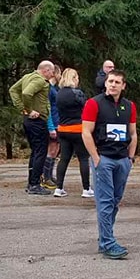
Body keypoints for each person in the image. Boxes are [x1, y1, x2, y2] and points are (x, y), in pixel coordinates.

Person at [81, 70, 137, 259]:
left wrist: (130, 158)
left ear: (123, 85)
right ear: (105, 83)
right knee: (105, 202)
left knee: (114, 201)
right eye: (110, 81)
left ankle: (105, 238)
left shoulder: (129, 106)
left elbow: (133, 133)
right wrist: (96, 159)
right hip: (103, 158)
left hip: (122, 159)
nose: (113, 84)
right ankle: (107, 243)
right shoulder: (93, 103)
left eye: (117, 82)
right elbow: (86, 132)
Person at [9, 60, 57, 195]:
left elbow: (13, 90)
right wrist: (28, 110)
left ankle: (32, 182)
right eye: (52, 72)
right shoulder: (40, 81)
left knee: (35, 151)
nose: (52, 75)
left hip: (29, 121)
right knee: (41, 152)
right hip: (37, 121)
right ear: (46, 70)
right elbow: (26, 93)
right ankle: (35, 184)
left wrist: (23, 110)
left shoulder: (27, 77)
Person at [53, 69, 92, 197]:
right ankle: (86, 189)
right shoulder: (77, 93)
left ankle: (59, 187)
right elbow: (85, 108)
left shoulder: (58, 94)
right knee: (83, 158)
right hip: (77, 128)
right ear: (74, 78)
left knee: (64, 159)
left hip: (63, 129)